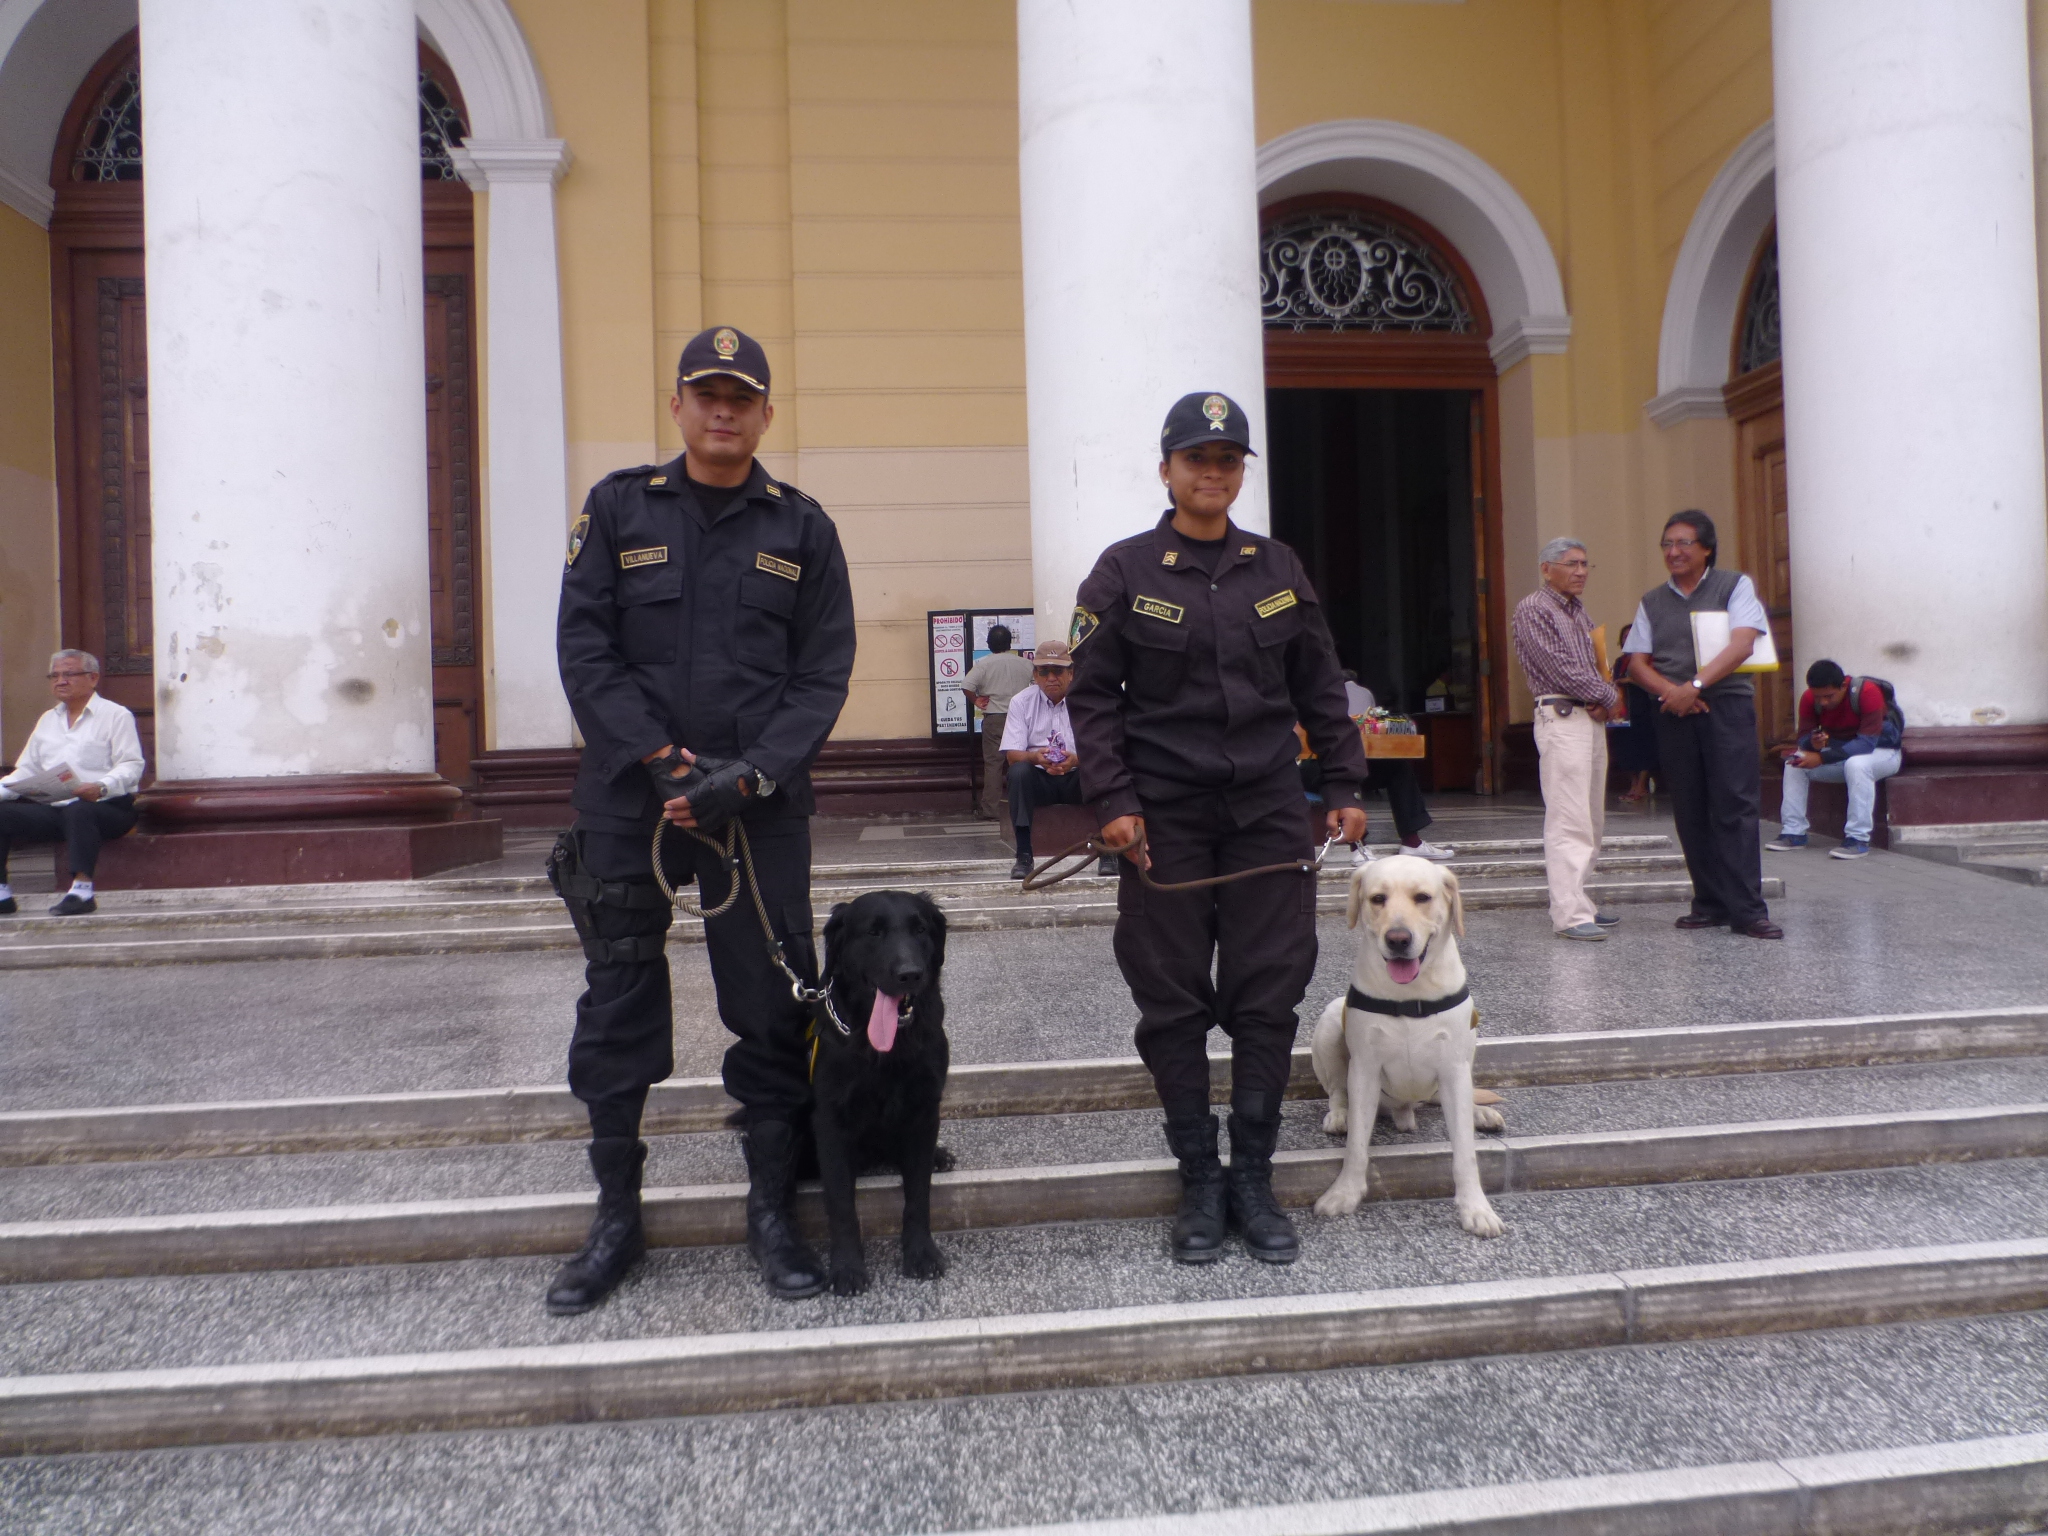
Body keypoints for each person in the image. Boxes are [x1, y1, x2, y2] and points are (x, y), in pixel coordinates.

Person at [552, 324, 856, 1313]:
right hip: (627, 799)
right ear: (677, 405)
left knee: (771, 1005)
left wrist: (753, 776)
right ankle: (615, 1219)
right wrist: (659, 758)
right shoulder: (617, 508)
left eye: (741, 399)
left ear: (766, 414)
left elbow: (822, 672)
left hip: (757, 808)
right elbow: (585, 648)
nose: (723, 412)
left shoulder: (801, 528)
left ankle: (772, 1214)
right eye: (706, 395)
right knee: (617, 1001)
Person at [1068, 390, 1369, 1267]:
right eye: (1197, 458)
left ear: (1240, 473)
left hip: (1267, 810)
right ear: (1166, 469)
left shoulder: (1277, 567)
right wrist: (1112, 800)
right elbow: (1092, 697)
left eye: (1227, 459)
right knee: (1169, 998)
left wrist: (1344, 780)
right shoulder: (1124, 570)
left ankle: (1253, 1179)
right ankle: (1200, 1178)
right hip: (1162, 814)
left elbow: (1320, 682)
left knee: (1268, 991)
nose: (1212, 472)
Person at [1623, 510, 1781, 940]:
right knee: (1689, 807)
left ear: (1707, 548)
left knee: (1735, 805)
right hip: (1674, 711)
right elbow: (1636, 663)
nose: (1673, 552)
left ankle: (1747, 910)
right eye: (1667, 544)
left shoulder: (1734, 585)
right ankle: (1709, 903)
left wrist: (1695, 685)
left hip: (1727, 706)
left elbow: (1743, 642)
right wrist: (1673, 694)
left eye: (1683, 543)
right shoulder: (1652, 601)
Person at [1511, 539, 1623, 941]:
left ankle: (1580, 901)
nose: (1580, 572)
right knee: (1568, 816)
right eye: (1571, 564)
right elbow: (1560, 669)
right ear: (1546, 569)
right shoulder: (1533, 608)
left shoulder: (1577, 610)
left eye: (1585, 564)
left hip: (1587, 716)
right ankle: (1569, 914)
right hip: (1560, 717)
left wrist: (1603, 697)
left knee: (1591, 816)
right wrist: (1609, 696)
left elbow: (1592, 665)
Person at [0, 650, 145, 916]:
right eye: (54, 676)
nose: (60, 681)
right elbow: (28, 769)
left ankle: (81, 892)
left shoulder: (116, 715)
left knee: (79, 809)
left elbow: (131, 765)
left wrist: (101, 786)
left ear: (93, 678)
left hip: (108, 808)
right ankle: (2, 894)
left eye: (69, 674)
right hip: (57, 809)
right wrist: (3, 790)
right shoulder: (48, 719)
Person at [1766, 659, 1904, 860]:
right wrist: (1813, 743)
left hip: (1883, 754)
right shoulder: (1809, 699)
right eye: (1818, 697)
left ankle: (1857, 839)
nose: (1823, 702)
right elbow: (1803, 738)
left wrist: (1822, 756)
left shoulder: (1867, 692)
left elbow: (1866, 744)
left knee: (1857, 764)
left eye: (1829, 696)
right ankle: (1793, 832)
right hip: (1841, 755)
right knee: (1795, 763)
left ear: (1843, 686)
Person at [999, 641, 1112, 880]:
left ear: (1072, 673)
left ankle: (1108, 852)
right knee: (1018, 772)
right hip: (1040, 779)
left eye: (1058, 671)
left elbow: (1103, 750)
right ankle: (1024, 854)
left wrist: (1077, 761)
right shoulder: (1021, 701)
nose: (1051, 678)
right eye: (1044, 671)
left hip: (1077, 778)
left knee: (1104, 770)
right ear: (1035, 675)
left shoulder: (1088, 702)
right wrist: (1034, 757)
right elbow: (1012, 754)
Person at [1339, 672, 1455, 866]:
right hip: (1315, 766)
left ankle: (1412, 842)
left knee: (1398, 767)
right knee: (1342, 770)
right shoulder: (1312, 693)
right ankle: (1357, 845)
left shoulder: (1359, 693)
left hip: (1348, 758)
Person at [963, 625, 1033, 823]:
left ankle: (991, 809)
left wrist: (976, 700)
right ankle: (1023, 805)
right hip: (1021, 718)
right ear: (1010, 643)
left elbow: (966, 685)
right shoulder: (1026, 664)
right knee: (1021, 762)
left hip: (994, 718)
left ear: (989, 644)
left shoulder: (984, 664)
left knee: (993, 764)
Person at [1608, 622, 1661, 803]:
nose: (1627, 639)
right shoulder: (1620, 662)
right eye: (1624, 636)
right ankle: (1633, 783)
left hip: (1644, 708)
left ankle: (1642, 785)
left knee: (1645, 746)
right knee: (1625, 747)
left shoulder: (1648, 660)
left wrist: (1631, 680)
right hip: (1625, 709)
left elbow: (1653, 681)